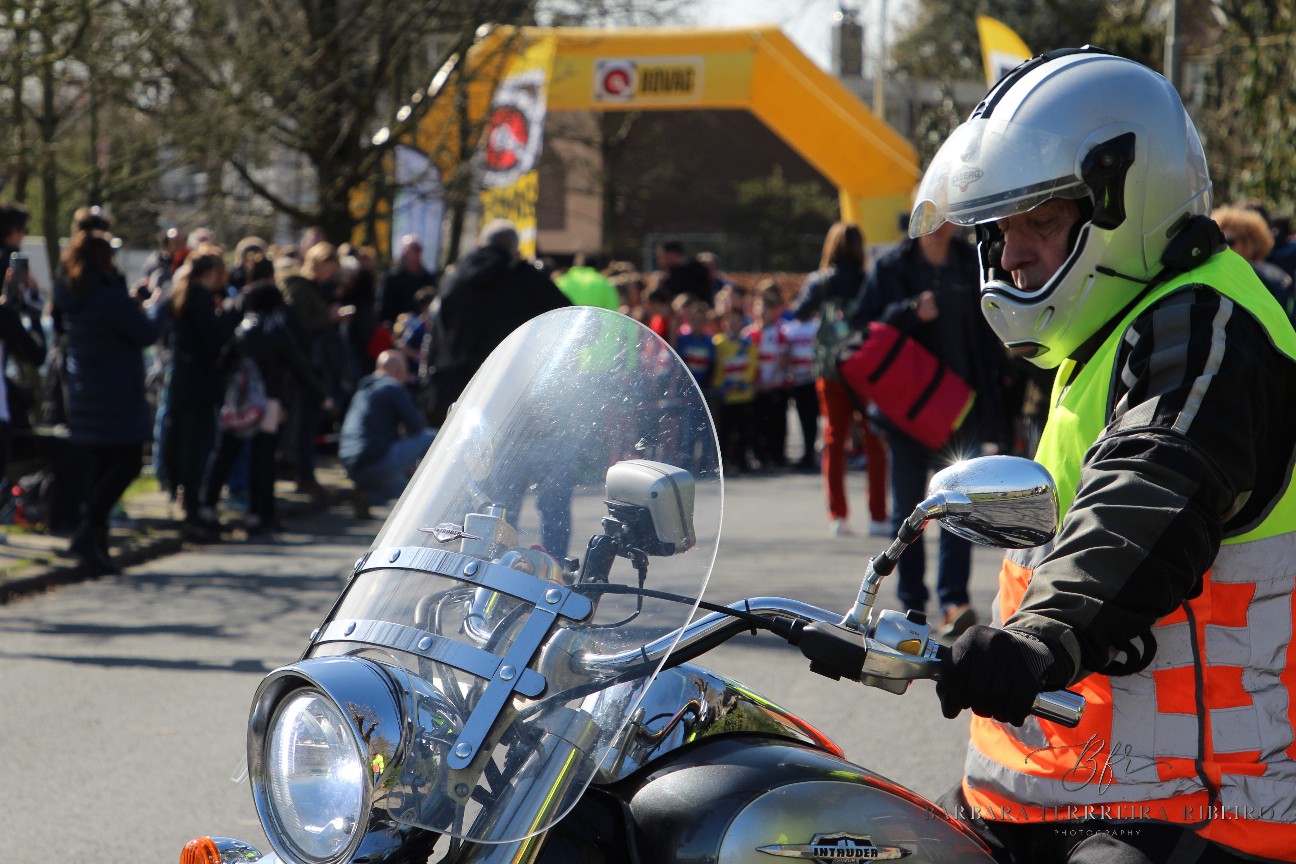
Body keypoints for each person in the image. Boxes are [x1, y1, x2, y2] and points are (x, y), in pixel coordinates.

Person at [912, 48, 1296, 863]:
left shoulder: (1204, 328)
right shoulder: (1105, 339)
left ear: (1129, 199)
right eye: (998, 229)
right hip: (1054, 796)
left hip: (1204, 804)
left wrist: (1042, 632)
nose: (1010, 255)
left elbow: (1152, 486)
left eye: (1041, 222)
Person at [857, 216, 1006, 635]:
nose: (941, 225)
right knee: (908, 511)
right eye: (932, 216)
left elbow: (988, 334)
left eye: (947, 215)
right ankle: (912, 607)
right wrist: (908, 312)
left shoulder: (972, 262)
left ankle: (953, 603)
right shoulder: (892, 267)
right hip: (906, 413)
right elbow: (864, 329)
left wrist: (997, 404)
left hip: (961, 410)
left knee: (958, 507)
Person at [53, 230, 162, 575]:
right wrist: (155, 307)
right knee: (128, 462)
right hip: (116, 394)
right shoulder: (108, 295)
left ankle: (97, 549)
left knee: (101, 467)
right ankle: (88, 530)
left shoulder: (73, 292)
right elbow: (145, 333)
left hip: (85, 393)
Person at [203, 256, 326, 535]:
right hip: (270, 402)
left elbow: (223, 362)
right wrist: (321, 395)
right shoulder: (278, 332)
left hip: (238, 400)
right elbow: (299, 365)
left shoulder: (241, 331)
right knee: (264, 458)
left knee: (225, 452)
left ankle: (207, 505)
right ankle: (260, 514)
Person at [791, 222, 888, 537]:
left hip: (830, 370)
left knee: (834, 440)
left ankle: (838, 515)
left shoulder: (820, 281)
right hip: (864, 369)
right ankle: (878, 516)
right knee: (874, 440)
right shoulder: (869, 279)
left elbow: (799, 312)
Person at [427, 219, 570, 426]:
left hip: (464, 388)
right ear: (514, 248)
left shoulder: (455, 278)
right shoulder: (526, 277)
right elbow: (565, 315)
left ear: (481, 243)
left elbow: (439, 329)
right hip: (514, 384)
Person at [162, 244, 234, 539]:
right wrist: (227, 318)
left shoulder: (180, 295)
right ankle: (193, 507)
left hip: (182, 379)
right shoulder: (201, 299)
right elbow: (214, 339)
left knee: (185, 442)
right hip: (200, 383)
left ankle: (189, 502)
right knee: (197, 446)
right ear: (212, 272)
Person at [339, 350, 435, 514]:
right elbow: (417, 427)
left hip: (350, 463)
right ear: (399, 370)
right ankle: (437, 489)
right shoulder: (392, 387)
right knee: (431, 437)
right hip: (375, 459)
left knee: (406, 488)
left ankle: (367, 495)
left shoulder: (362, 390)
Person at [1213, 205, 1295, 323]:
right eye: (1220, 241)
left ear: (1249, 242)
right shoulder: (1215, 274)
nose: (1225, 247)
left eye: (1230, 242)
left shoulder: (1270, 279)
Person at [379, 234, 437, 327]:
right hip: (396, 328)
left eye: (418, 251)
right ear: (404, 252)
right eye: (413, 250)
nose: (416, 255)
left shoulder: (428, 278)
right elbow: (383, 307)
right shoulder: (392, 278)